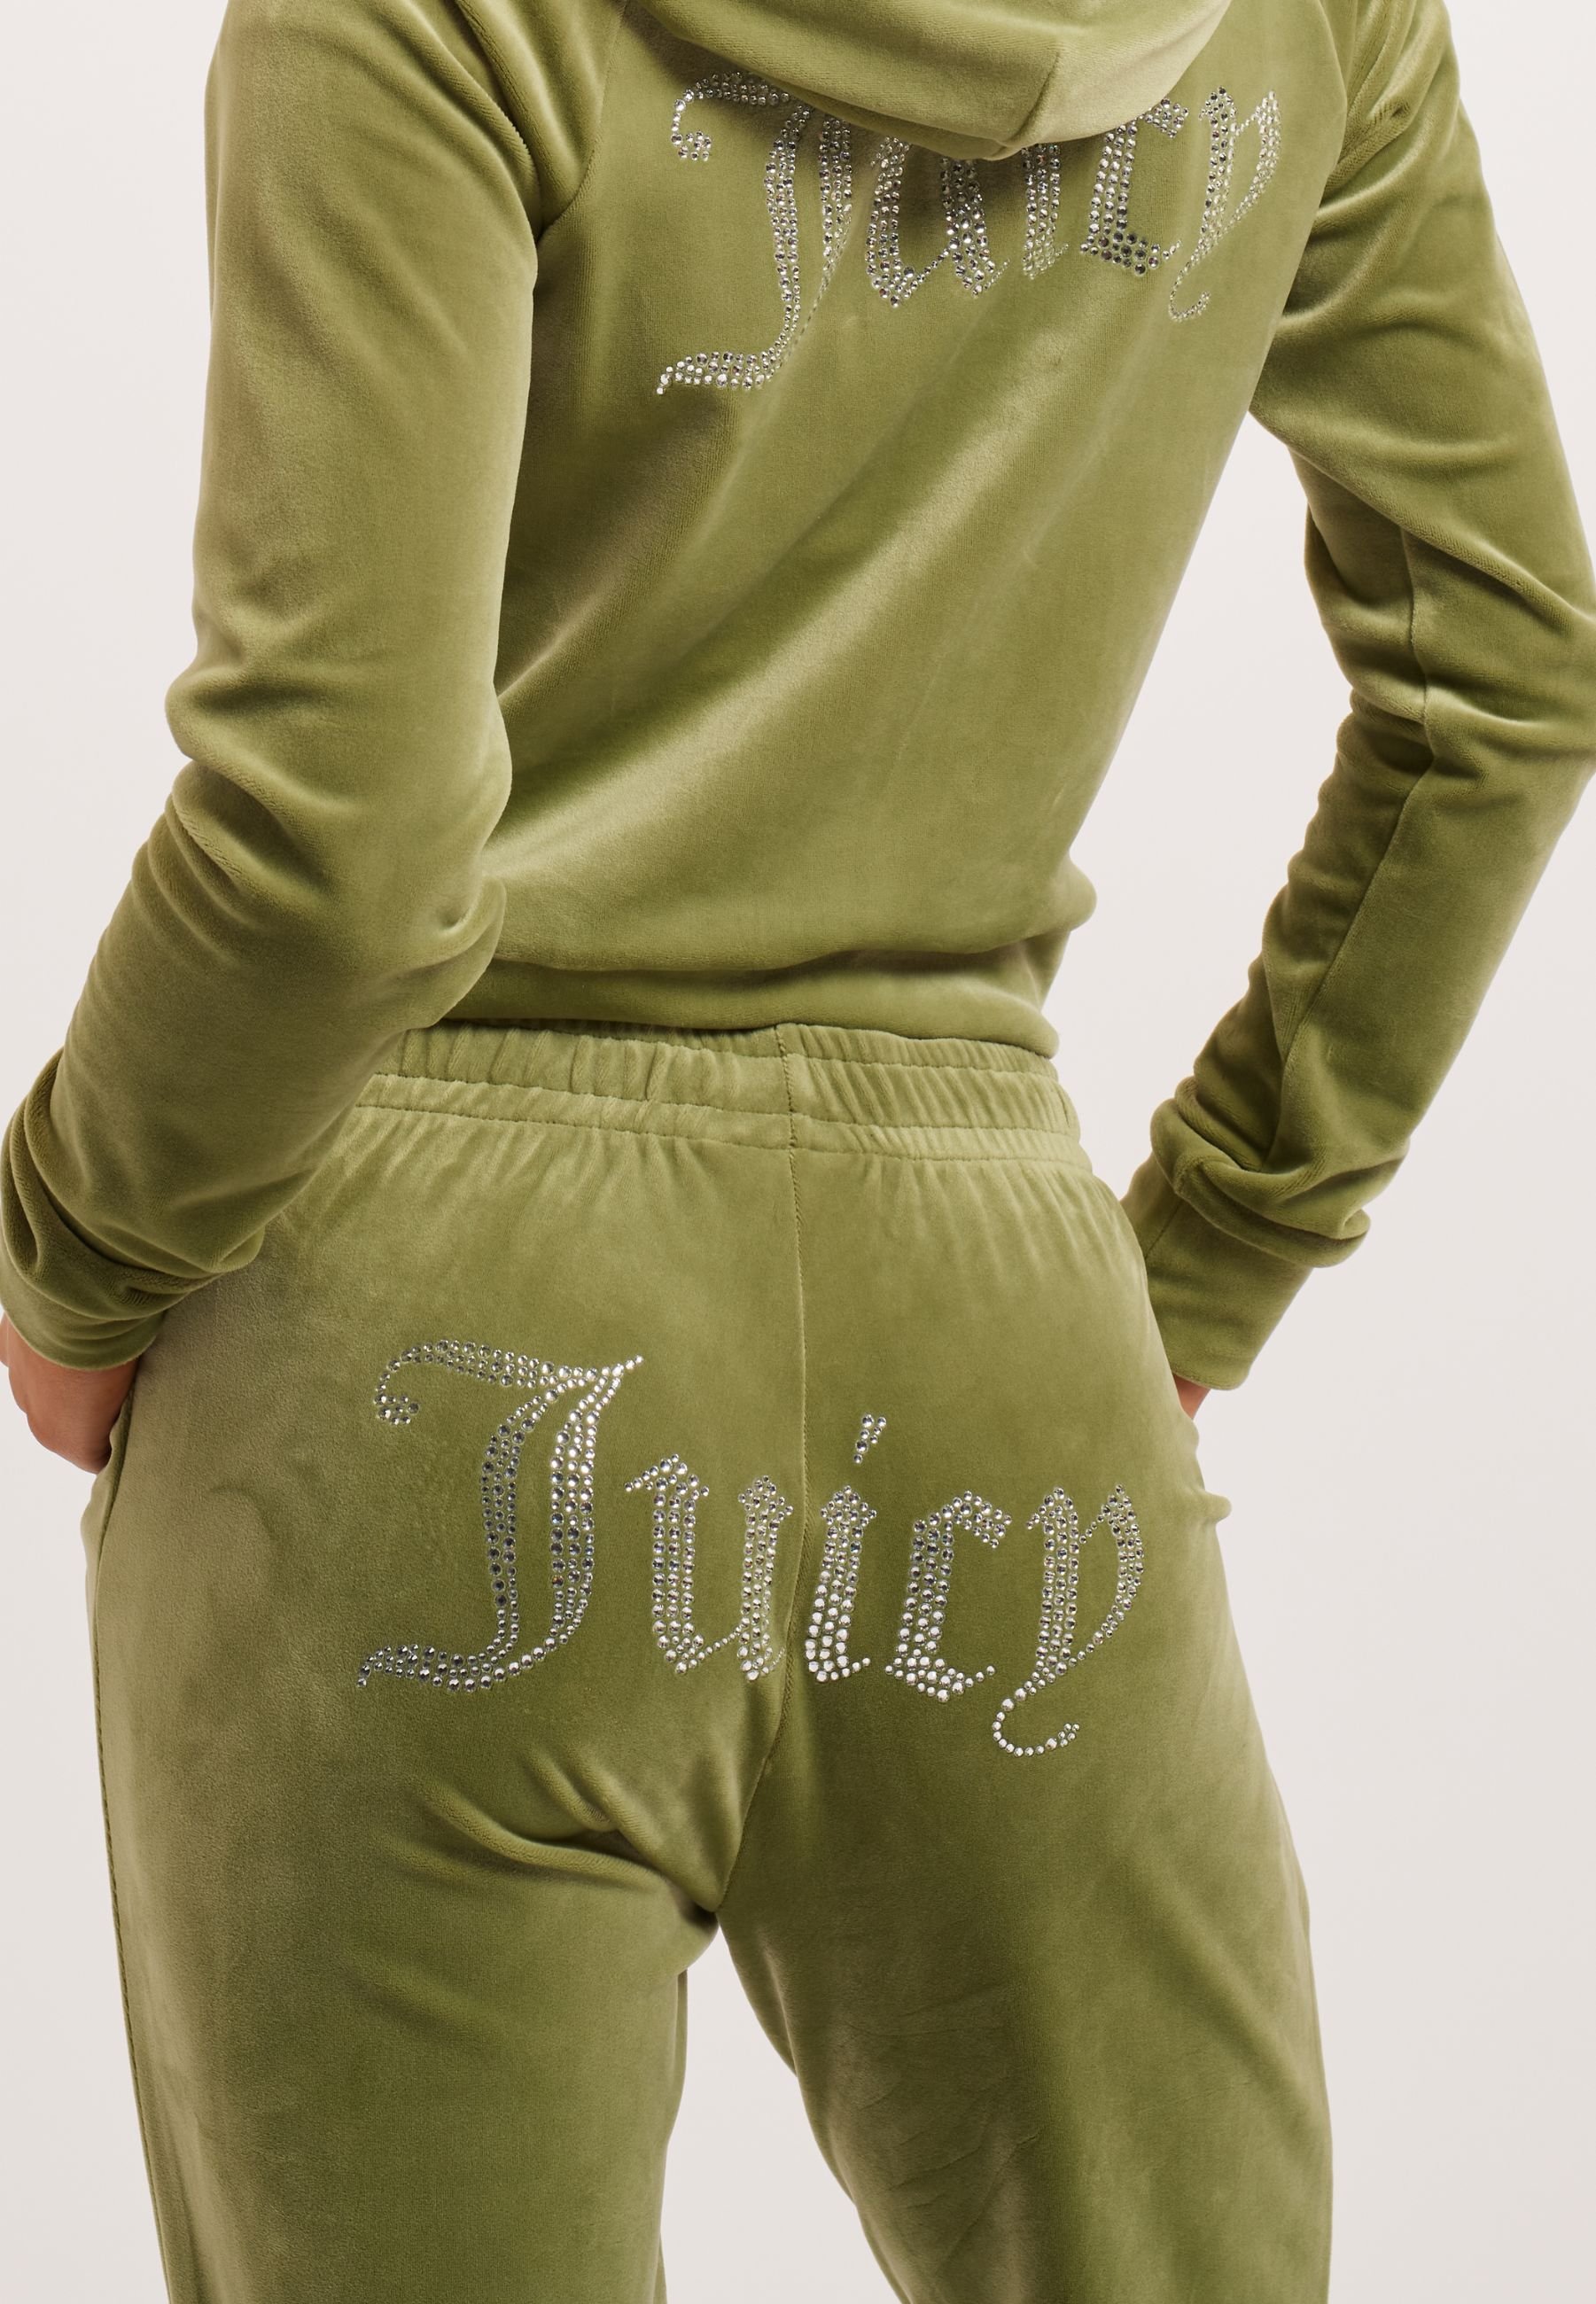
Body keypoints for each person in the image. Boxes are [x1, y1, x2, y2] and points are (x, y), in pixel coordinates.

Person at [3, 0, 1591, 2296]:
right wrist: (1207, 1261)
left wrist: (75, 1242)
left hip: (418, 1381)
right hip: (1001, 1368)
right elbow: (1505, 681)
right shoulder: (1311, 18)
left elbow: (341, 843)